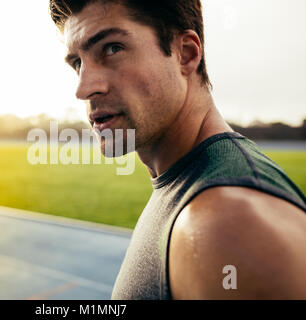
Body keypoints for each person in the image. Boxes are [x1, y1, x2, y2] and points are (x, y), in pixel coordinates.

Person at [49, 0, 306, 299]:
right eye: (78, 63)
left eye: (112, 48)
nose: (83, 88)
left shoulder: (225, 225)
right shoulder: (187, 187)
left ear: (185, 54)